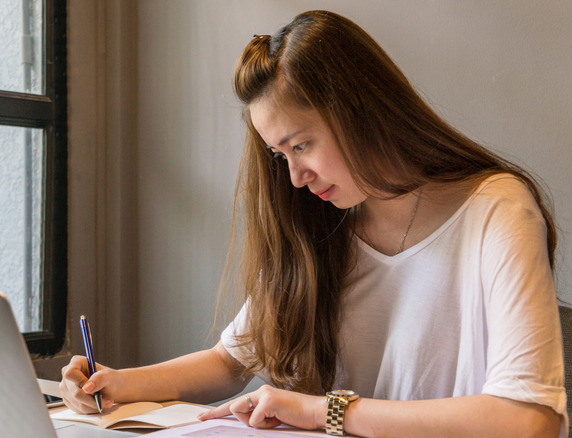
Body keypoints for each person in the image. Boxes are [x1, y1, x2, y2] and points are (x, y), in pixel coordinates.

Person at [60, 10, 567, 438]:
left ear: (361, 112)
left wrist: (325, 411)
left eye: (301, 145)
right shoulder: (321, 225)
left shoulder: (497, 210)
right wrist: (116, 383)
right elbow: (229, 362)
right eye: (280, 155)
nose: (296, 177)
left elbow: (529, 421)